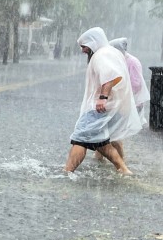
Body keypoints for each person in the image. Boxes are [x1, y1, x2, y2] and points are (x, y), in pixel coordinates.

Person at [64, 27, 140, 174]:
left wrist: (102, 98)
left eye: (84, 46)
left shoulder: (101, 55)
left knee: (80, 138)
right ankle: (123, 169)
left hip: (100, 107)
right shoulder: (109, 52)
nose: (83, 50)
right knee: (99, 140)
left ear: (93, 42)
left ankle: (67, 171)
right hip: (110, 106)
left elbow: (112, 76)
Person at [109, 37, 150, 126]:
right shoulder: (121, 60)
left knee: (121, 128)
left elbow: (136, 84)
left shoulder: (132, 62)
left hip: (132, 103)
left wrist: (119, 90)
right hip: (125, 102)